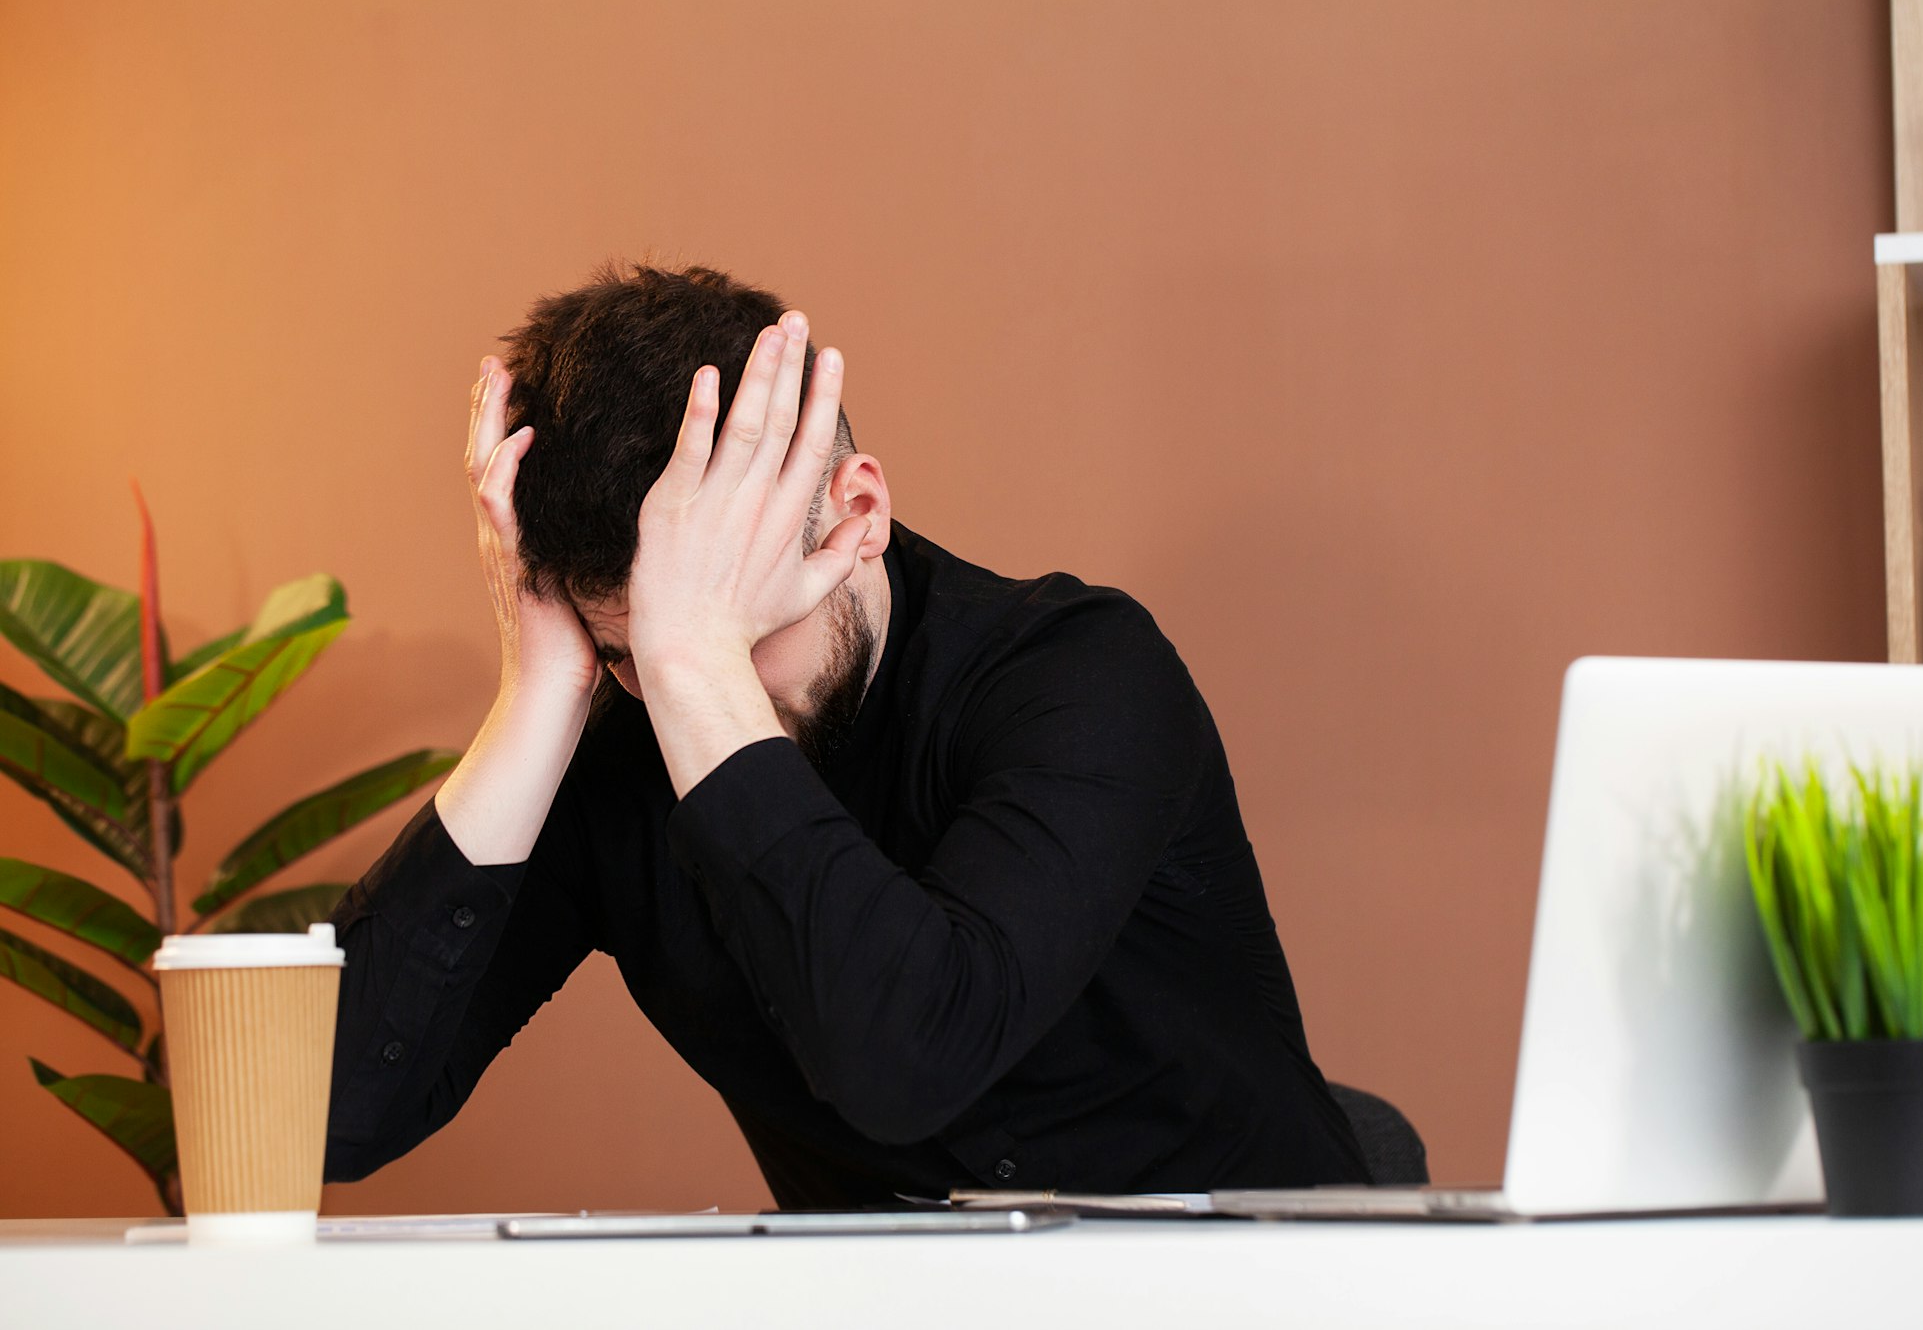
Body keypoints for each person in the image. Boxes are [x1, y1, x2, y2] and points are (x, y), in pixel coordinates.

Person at [323, 263, 1371, 1206]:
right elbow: (324, 1117)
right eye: (632, 651)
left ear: (857, 512)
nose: (678, 685)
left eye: (735, 628)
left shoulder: (1084, 673)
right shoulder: (622, 739)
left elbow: (910, 1059)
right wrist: (540, 690)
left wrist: (692, 657)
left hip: (1272, 1294)